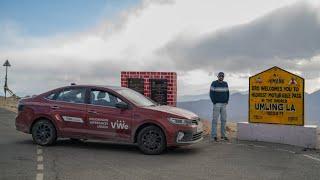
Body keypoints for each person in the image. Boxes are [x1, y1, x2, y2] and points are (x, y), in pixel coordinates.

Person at [209, 72, 229, 142]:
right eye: (220, 76)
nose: (221, 77)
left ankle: (223, 136)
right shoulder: (214, 83)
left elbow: (227, 92)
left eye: (222, 76)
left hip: (224, 104)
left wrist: (227, 101)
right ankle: (214, 136)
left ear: (223, 77)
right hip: (217, 104)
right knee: (215, 120)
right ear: (218, 76)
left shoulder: (225, 83)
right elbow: (211, 93)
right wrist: (214, 102)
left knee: (224, 120)